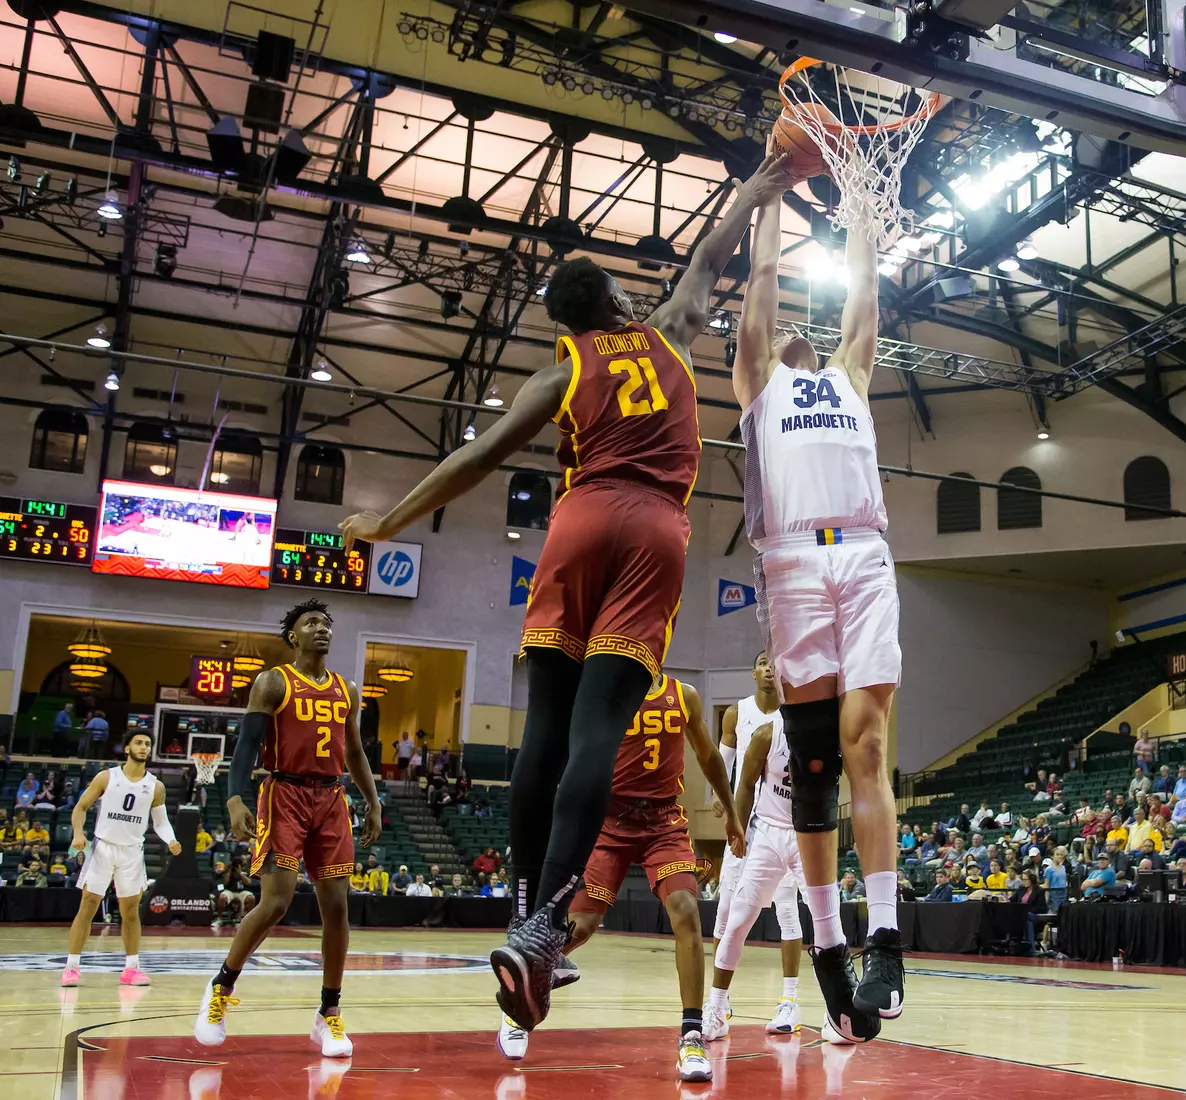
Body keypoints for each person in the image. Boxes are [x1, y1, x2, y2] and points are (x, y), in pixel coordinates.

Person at [340, 153, 792, 1040]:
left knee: (542, 732)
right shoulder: (666, 329)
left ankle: (525, 915)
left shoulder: (558, 374)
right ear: (619, 302)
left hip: (576, 524)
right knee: (595, 735)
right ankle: (547, 930)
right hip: (653, 527)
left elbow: (478, 458)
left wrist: (391, 521)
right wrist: (763, 181)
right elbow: (717, 250)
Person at [732, 160, 903, 1045]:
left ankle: (885, 938)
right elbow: (761, 284)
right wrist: (766, 197)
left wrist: (862, 212)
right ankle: (828, 943)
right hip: (794, 562)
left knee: (866, 744)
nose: (797, 330)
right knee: (815, 770)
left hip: (864, 552)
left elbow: (865, 291)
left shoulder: (850, 376)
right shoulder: (759, 381)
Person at [508, 673, 741, 1080]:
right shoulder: (605, 690)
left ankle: (691, 1036)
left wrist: (732, 813)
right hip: (609, 820)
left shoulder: (683, 696)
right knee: (580, 926)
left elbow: (707, 757)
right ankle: (517, 1008)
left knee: (686, 910)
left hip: (663, 820)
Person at [194, 599, 382, 1059]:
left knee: (337, 909)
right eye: (311, 623)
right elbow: (248, 744)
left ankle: (329, 1014)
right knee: (275, 903)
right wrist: (235, 798)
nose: (322, 629)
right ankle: (220, 989)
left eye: (326, 623)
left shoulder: (347, 689)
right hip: (284, 795)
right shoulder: (273, 681)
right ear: (293, 636)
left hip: (332, 798)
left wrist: (373, 800)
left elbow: (354, 752)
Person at [705, 715, 813, 1045]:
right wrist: (736, 827)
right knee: (736, 920)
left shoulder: (826, 730)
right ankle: (718, 1008)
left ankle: (814, 1006)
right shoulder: (767, 732)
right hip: (766, 832)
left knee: (824, 923)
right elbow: (746, 783)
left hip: (808, 834)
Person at [60, 730, 182, 988]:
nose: (143, 747)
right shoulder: (107, 777)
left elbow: (161, 823)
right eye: (138, 742)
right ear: (127, 748)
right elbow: (80, 807)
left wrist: (170, 839)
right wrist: (79, 833)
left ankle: (131, 968)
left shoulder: (155, 786)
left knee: (131, 912)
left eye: (147, 744)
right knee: (88, 906)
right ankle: (71, 967)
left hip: (131, 853)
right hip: (102, 848)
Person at [711, 652, 783, 950]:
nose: (769, 668)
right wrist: (718, 794)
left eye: (775, 664)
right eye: (764, 662)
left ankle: (789, 993)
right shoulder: (736, 712)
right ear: (753, 672)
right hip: (744, 815)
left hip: (780, 819)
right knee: (726, 903)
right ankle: (717, 994)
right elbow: (722, 760)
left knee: (787, 909)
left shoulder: (792, 715)